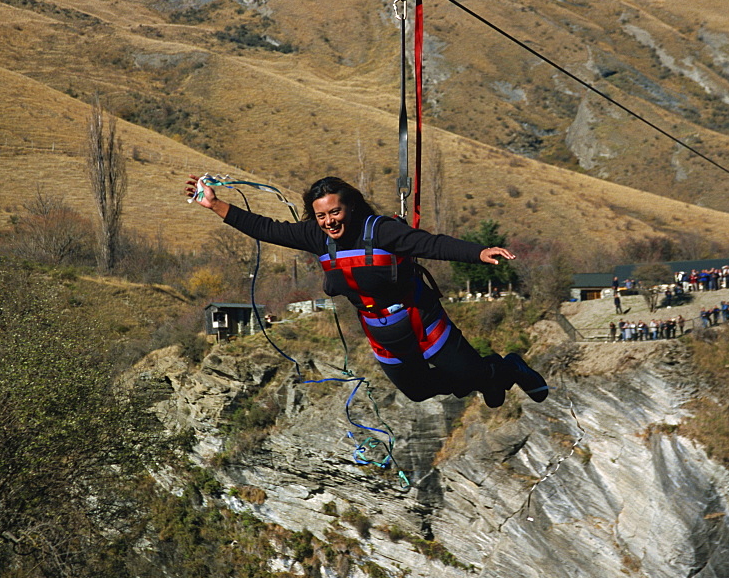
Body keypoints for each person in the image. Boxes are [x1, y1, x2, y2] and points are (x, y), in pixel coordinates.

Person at [186, 175, 548, 408]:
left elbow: (429, 244)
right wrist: (215, 205)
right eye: (322, 216)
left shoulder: (382, 231)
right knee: (419, 391)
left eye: (335, 212)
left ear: (350, 207)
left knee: (470, 372)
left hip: (420, 316)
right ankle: (485, 378)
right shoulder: (316, 236)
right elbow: (266, 228)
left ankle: (504, 369)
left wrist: (477, 252)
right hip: (380, 329)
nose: (330, 222)